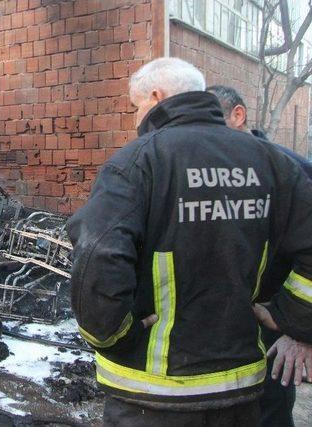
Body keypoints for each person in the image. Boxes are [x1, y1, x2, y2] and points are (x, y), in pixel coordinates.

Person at [66, 57, 312, 426]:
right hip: (241, 388)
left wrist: (113, 335)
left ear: (156, 96)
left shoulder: (137, 162)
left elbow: (97, 255)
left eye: (137, 107)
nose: (136, 120)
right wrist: (290, 316)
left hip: (153, 396)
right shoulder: (274, 163)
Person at [206, 84, 312, 427]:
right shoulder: (200, 174)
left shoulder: (291, 171)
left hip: (272, 329)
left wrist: (300, 330)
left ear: (238, 116)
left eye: (212, 127)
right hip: (213, 335)